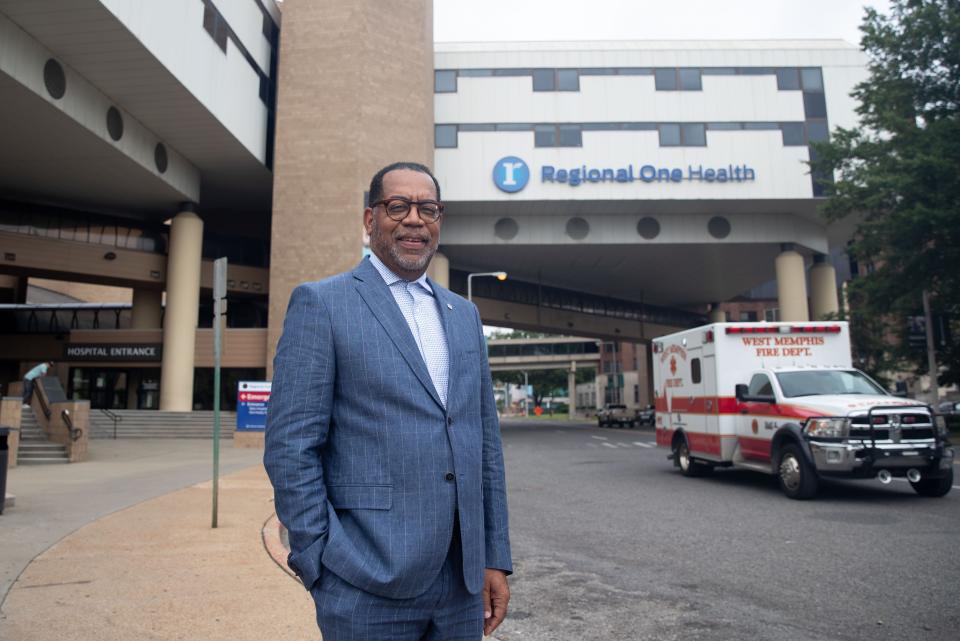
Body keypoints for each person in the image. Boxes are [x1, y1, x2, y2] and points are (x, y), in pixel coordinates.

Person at [264, 162, 512, 641]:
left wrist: (493, 556)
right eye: (398, 206)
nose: (415, 219)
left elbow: (485, 447)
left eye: (429, 208)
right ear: (369, 219)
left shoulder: (464, 315)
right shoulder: (323, 303)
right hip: (364, 579)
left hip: (462, 585)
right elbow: (291, 445)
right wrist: (318, 559)